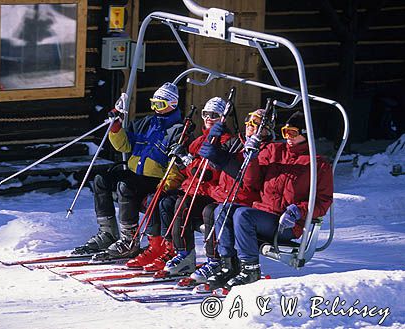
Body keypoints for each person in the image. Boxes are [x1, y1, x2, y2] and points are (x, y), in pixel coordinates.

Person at [211, 111, 334, 290]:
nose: (288, 138)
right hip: (264, 213)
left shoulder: (318, 165)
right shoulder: (274, 151)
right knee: (223, 209)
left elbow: (323, 201)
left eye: (293, 133)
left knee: (243, 215)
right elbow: (251, 182)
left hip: (287, 224)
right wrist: (251, 158)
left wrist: (299, 210)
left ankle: (250, 270)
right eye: (285, 132)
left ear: (305, 135)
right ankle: (228, 265)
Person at [71, 82, 184, 260]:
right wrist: (116, 128)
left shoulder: (178, 130)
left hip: (156, 179)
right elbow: (124, 145)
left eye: (160, 104)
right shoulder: (146, 123)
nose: (155, 108)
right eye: (153, 103)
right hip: (135, 174)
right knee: (101, 179)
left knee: (126, 186)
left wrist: (167, 186)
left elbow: (176, 165)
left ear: (173, 104)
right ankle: (107, 232)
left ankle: (129, 239)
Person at [131, 97, 233, 274]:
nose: (208, 118)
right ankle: (170, 248)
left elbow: (209, 174)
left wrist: (188, 161)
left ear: (222, 118)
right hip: (192, 188)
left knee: (181, 205)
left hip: (209, 193)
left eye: (214, 115)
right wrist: (180, 161)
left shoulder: (225, 142)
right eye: (205, 114)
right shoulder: (199, 140)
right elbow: (189, 172)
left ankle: (186, 253)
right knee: (163, 201)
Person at [190, 108, 274, 285]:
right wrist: (212, 145)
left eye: (256, 124)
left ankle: (235, 265)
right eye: (248, 123)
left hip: (247, 201)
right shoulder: (237, 142)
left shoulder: (268, 149)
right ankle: (226, 263)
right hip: (226, 197)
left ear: (266, 128)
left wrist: (242, 159)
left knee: (217, 212)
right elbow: (214, 166)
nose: (250, 127)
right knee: (216, 209)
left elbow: (251, 182)